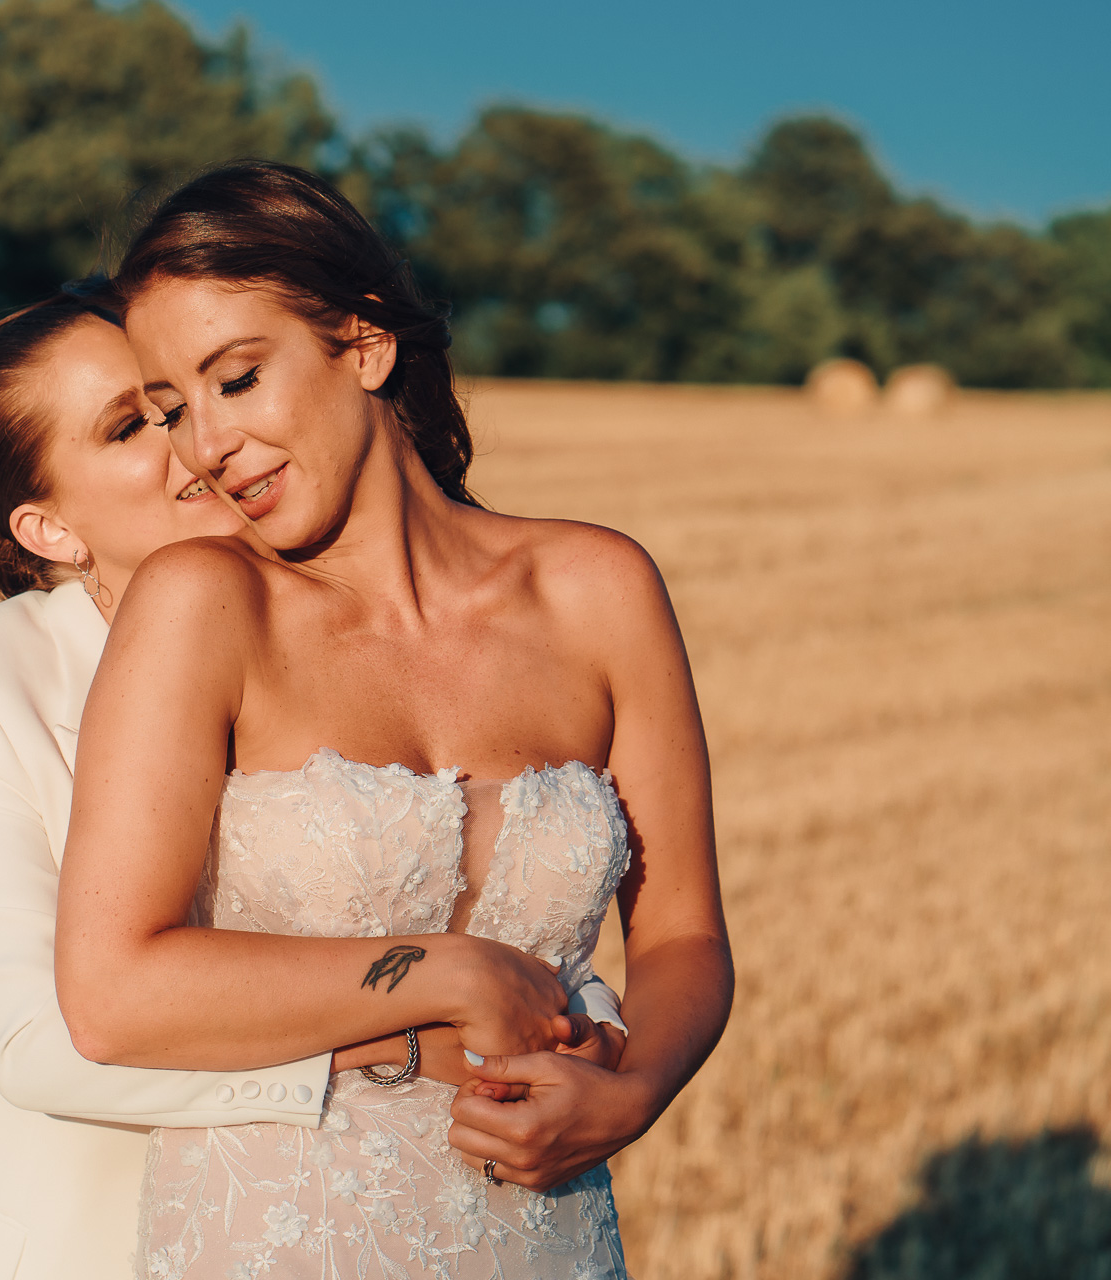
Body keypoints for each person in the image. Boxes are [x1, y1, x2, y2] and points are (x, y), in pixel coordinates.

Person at [0, 287, 629, 1280]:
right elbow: (40, 1039)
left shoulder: (340, 620)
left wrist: (584, 1018)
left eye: (174, 403)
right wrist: (398, 1041)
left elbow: (464, 879)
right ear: (49, 529)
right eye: (131, 428)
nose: (197, 444)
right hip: (59, 1247)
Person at [54, 163, 734, 1279]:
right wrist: (446, 969)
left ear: (364, 344)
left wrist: (633, 1091)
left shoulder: (599, 587)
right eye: (173, 409)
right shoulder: (203, 605)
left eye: (237, 378)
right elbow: (112, 990)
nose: (204, 447)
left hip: (547, 1223)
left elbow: (684, 938)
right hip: (281, 1229)